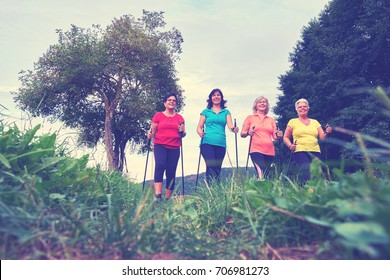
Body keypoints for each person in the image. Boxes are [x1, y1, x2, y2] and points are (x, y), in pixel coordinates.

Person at [283, 98, 332, 183]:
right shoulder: (292, 121)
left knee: (316, 173)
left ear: (308, 108)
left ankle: (315, 192)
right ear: (296, 109)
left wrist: (327, 132)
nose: (302, 108)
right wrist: (290, 145)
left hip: (315, 150)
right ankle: (307, 190)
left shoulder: (315, 122)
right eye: (300, 107)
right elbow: (285, 137)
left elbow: (322, 137)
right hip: (300, 150)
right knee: (307, 170)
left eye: (305, 106)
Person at [147, 94, 186, 202]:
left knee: (171, 171)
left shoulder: (179, 118)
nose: (171, 102)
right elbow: (152, 131)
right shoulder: (158, 116)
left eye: (174, 100)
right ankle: (158, 196)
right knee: (160, 165)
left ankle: (167, 199)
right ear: (165, 103)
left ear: (176, 104)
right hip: (160, 145)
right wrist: (149, 134)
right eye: (169, 100)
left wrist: (182, 131)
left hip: (174, 147)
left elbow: (183, 134)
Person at [196, 88, 239, 184]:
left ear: (221, 98)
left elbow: (230, 125)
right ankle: (210, 191)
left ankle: (216, 192)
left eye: (218, 95)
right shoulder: (206, 111)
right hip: (207, 143)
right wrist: (200, 133)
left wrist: (234, 129)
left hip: (221, 144)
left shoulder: (226, 112)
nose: (216, 97)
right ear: (211, 98)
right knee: (211, 166)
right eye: (214, 95)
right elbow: (199, 127)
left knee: (217, 169)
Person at [241, 96, 283, 180]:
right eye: (260, 102)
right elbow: (242, 133)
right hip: (256, 150)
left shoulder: (271, 120)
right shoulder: (250, 118)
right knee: (261, 173)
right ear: (256, 105)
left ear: (267, 106)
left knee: (266, 175)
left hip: (269, 151)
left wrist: (278, 135)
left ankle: (262, 192)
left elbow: (274, 137)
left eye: (264, 102)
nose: (262, 103)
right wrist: (249, 133)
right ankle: (260, 191)